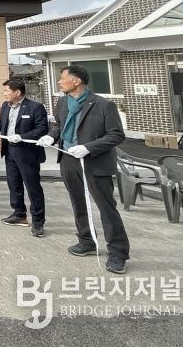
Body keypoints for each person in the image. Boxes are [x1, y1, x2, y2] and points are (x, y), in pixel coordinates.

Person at [37, 65, 130, 274]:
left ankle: (118, 252)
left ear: (76, 81)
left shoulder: (103, 105)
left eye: (62, 78)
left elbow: (116, 134)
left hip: (94, 161)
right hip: (68, 159)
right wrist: (51, 136)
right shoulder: (63, 102)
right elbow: (59, 125)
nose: (59, 82)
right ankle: (86, 240)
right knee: (78, 203)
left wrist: (88, 147)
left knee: (106, 207)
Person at [0, 78, 48, 237]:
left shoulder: (35, 107)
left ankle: (38, 221)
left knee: (33, 188)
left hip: (27, 153)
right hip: (10, 151)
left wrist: (22, 136)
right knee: (14, 184)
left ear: (17, 92)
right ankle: (19, 213)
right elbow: (0, 124)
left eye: (6, 91)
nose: (4, 94)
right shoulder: (5, 106)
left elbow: (42, 129)